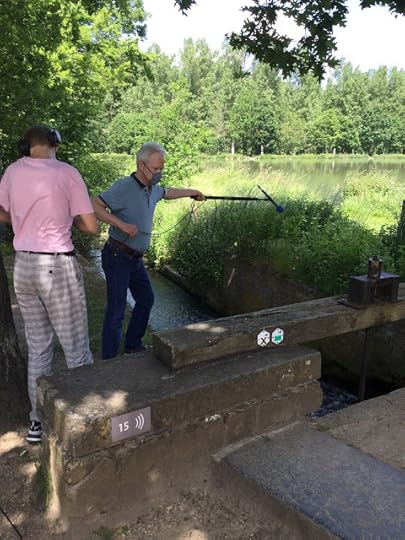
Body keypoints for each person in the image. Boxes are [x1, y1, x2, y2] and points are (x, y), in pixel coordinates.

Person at [0, 125, 98, 444]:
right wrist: (68, 217)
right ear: (55, 144)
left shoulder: (12, 172)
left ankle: (36, 423)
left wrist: (21, 220)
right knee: (76, 349)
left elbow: (2, 211)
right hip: (56, 266)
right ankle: (84, 423)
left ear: (25, 146)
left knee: (39, 349)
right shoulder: (67, 173)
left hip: (24, 267)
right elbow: (91, 226)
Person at [92, 141, 204, 360]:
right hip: (117, 255)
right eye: (155, 168)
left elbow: (168, 192)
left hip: (135, 259)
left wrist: (193, 192)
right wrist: (122, 225)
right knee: (116, 310)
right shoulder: (124, 187)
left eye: (161, 168)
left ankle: (133, 344)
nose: (159, 173)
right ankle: (109, 361)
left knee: (146, 300)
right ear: (141, 165)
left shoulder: (152, 189)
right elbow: (94, 205)